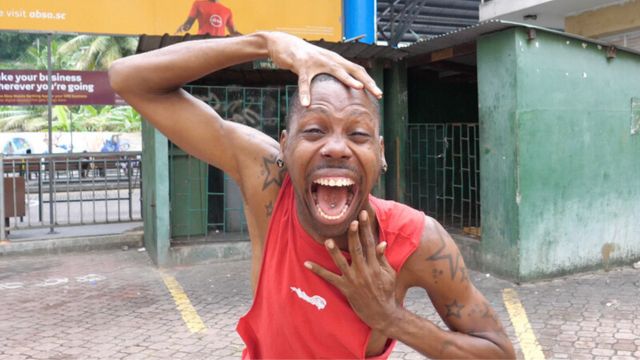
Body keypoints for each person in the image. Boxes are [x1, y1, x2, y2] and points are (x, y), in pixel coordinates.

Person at [109, 32, 515, 359]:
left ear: (381, 154)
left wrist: (391, 319)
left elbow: (500, 354)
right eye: (315, 131)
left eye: (357, 134)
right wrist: (265, 43)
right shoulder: (267, 182)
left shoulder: (417, 241)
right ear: (284, 148)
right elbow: (127, 78)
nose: (336, 148)